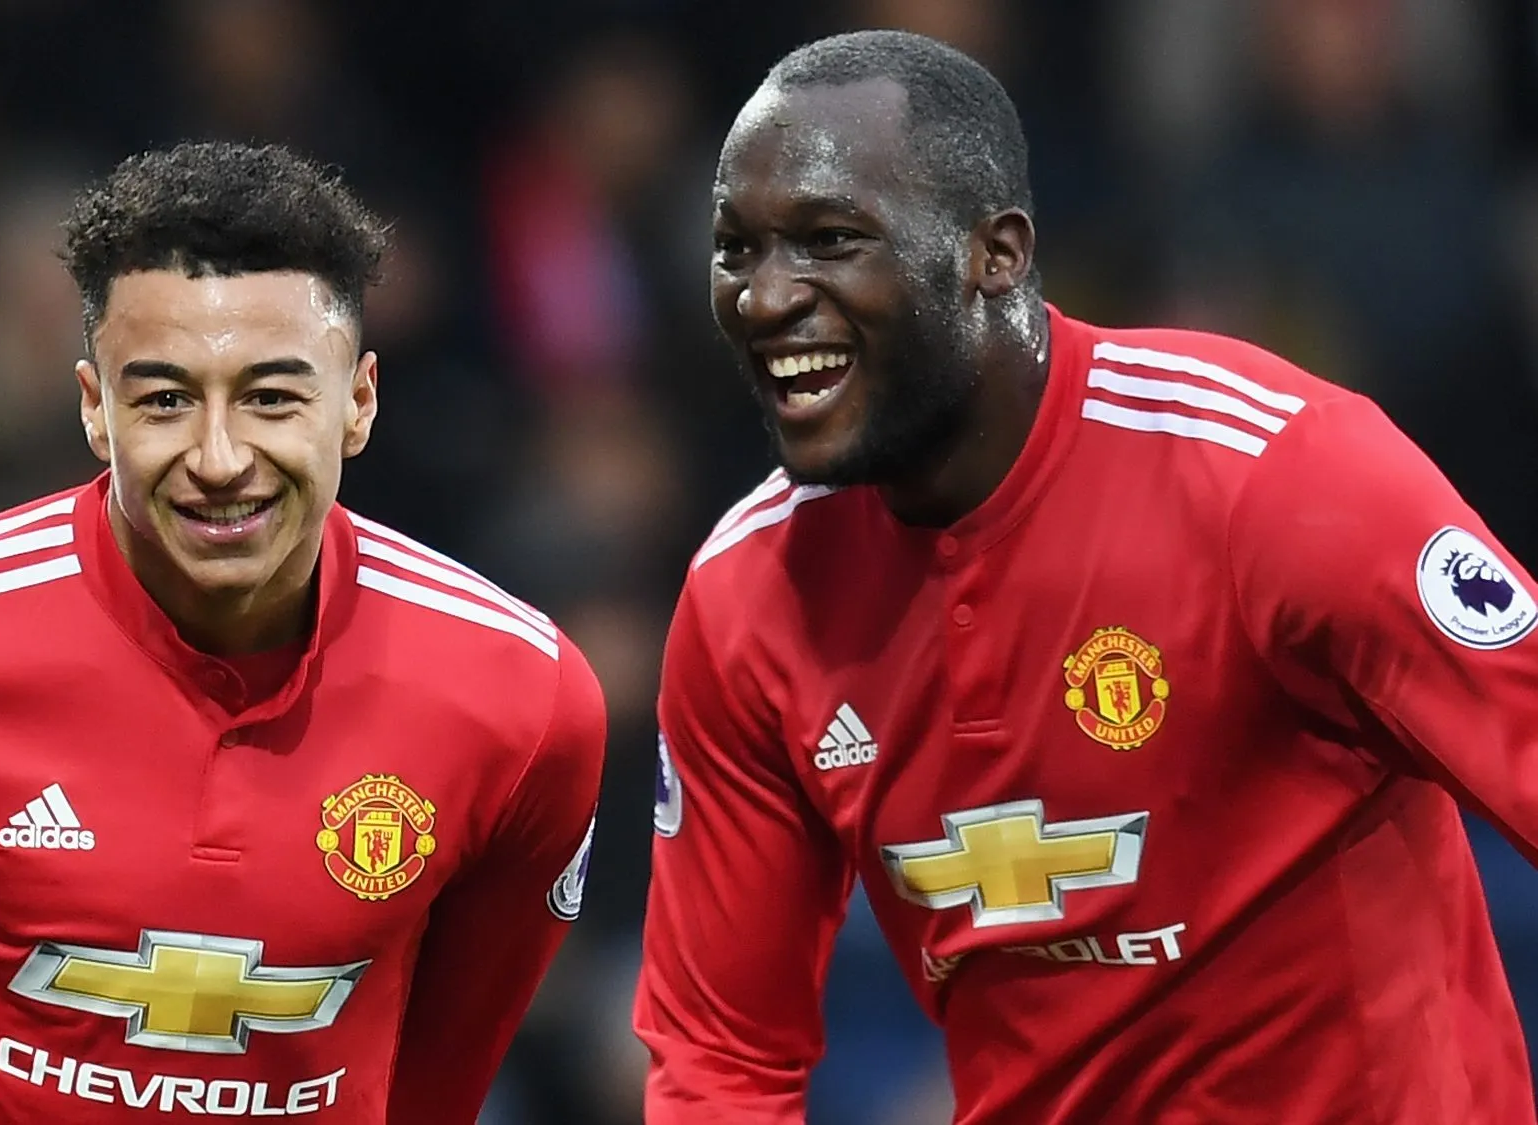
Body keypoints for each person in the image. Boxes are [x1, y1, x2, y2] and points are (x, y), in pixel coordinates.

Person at [634, 29, 1538, 1125]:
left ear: (996, 253)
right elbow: (721, 1056)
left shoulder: (1272, 478)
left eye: (829, 241)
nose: (765, 300)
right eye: (737, 250)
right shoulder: (745, 601)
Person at [0, 141, 606, 1123]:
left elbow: (432, 1093)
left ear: (359, 401)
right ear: (96, 408)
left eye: (272, 396)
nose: (221, 457)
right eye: (165, 398)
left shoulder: (522, 704)